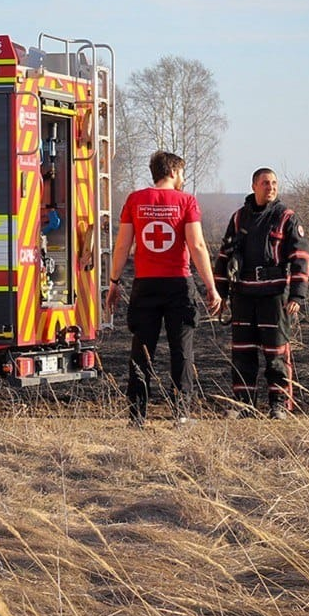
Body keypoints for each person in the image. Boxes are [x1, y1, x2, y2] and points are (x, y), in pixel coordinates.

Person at [105, 151, 222, 426]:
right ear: (172, 172)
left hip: (144, 285)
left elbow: (122, 246)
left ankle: (137, 416)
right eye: (181, 172)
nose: (182, 178)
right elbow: (197, 246)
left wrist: (114, 282)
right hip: (178, 286)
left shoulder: (135, 200)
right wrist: (211, 287)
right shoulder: (186, 202)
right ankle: (180, 414)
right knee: (181, 349)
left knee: (142, 349)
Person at [215, 167, 309, 419]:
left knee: (276, 354)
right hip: (243, 296)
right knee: (242, 352)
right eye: (266, 183)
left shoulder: (287, 218)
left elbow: (301, 258)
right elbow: (224, 257)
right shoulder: (238, 219)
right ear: (254, 186)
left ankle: (279, 405)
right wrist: (221, 293)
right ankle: (244, 405)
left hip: (275, 296)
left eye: (274, 183)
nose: (271, 187)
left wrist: (297, 296)